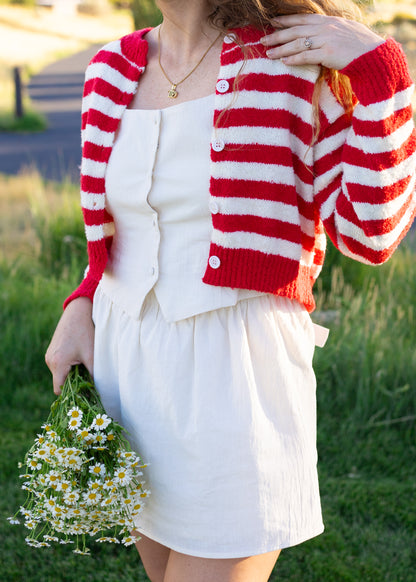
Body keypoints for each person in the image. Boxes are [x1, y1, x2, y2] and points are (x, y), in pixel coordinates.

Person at [45, 0, 416, 580]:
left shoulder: (296, 61)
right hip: (128, 369)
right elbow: (120, 232)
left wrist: (381, 71)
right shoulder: (109, 69)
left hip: (237, 379)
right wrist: (80, 304)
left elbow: (370, 234)